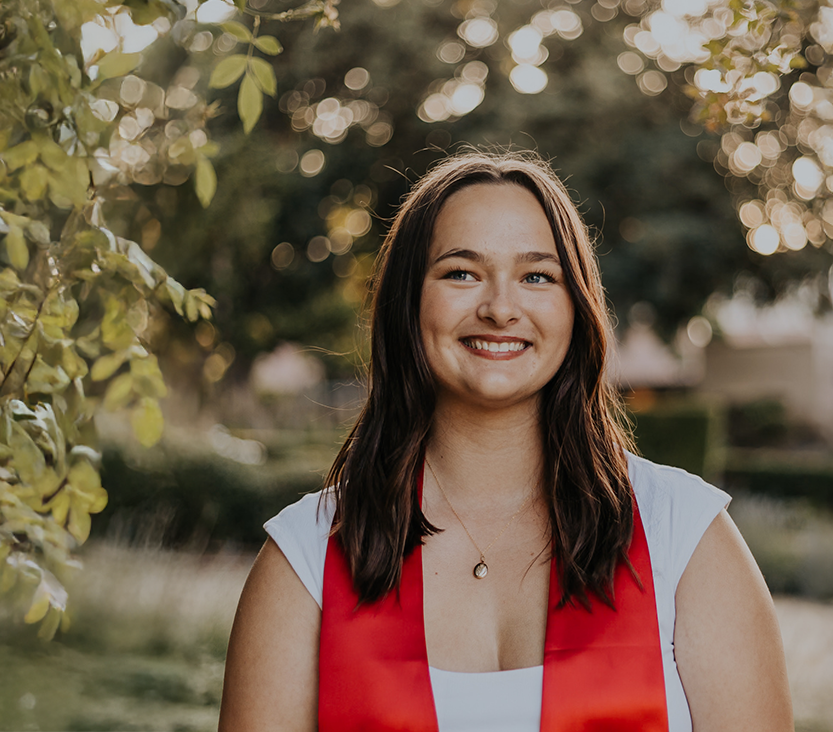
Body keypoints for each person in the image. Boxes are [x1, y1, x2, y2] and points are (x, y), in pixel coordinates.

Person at [219, 151, 794, 731]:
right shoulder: (307, 558)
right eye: (461, 272)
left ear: (577, 308)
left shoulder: (685, 536)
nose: (499, 308)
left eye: (537, 276)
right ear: (407, 301)